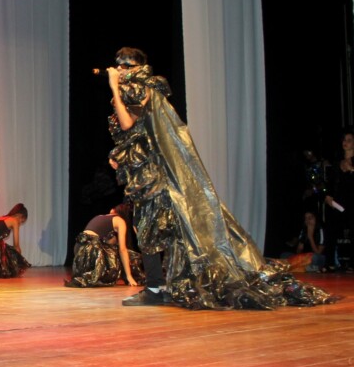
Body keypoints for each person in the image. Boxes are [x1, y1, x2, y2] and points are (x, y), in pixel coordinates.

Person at [105, 46, 335, 309]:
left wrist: (114, 87)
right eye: (118, 64)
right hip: (147, 174)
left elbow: (128, 124)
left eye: (126, 65)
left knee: (153, 227)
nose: (120, 69)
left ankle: (158, 288)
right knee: (156, 229)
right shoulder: (137, 92)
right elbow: (137, 135)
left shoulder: (143, 90)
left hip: (156, 177)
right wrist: (120, 157)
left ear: (139, 67)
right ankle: (164, 285)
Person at [65, 203, 144, 287]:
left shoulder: (99, 217)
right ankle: (133, 278)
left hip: (78, 250)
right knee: (129, 255)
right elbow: (122, 250)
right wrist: (129, 276)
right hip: (92, 251)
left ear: (113, 211)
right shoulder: (120, 221)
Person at [325, 129, 354, 270]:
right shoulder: (337, 163)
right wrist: (328, 196)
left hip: (352, 201)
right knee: (331, 229)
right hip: (338, 202)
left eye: (349, 140)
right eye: (344, 140)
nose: (345, 142)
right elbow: (331, 183)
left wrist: (352, 170)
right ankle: (330, 263)